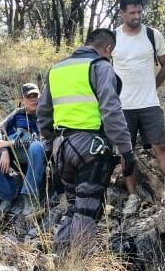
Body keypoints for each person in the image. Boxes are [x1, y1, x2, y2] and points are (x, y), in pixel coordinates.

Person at [38, 28, 134, 251]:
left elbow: (43, 114)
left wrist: (52, 143)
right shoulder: (100, 67)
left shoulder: (57, 69)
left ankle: (61, 260)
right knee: (87, 210)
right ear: (108, 48)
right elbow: (111, 111)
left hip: (62, 148)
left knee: (73, 207)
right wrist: (126, 151)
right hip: (92, 149)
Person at [113, 0, 165, 215]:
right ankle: (132, 196)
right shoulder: (113, 38)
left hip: (149, 103)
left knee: (161, 146)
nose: (137, 16)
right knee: (126, 152)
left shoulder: (152, 35)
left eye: (139, 12)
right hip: (122, 106)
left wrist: (153, 86)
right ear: (122, 13)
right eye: (132, 12)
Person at [0, 83, 46, 217]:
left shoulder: (45, 114)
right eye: (29, 97)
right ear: (22, 99)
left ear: (41, 96)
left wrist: (8, 143)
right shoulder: (17, 113)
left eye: (35, 96)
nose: (33, 99)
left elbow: (39, 141)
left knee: (37, 146)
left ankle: (30, 197)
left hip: (37, 157)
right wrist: (3, 151)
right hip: (17, 155)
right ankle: (6, 195)